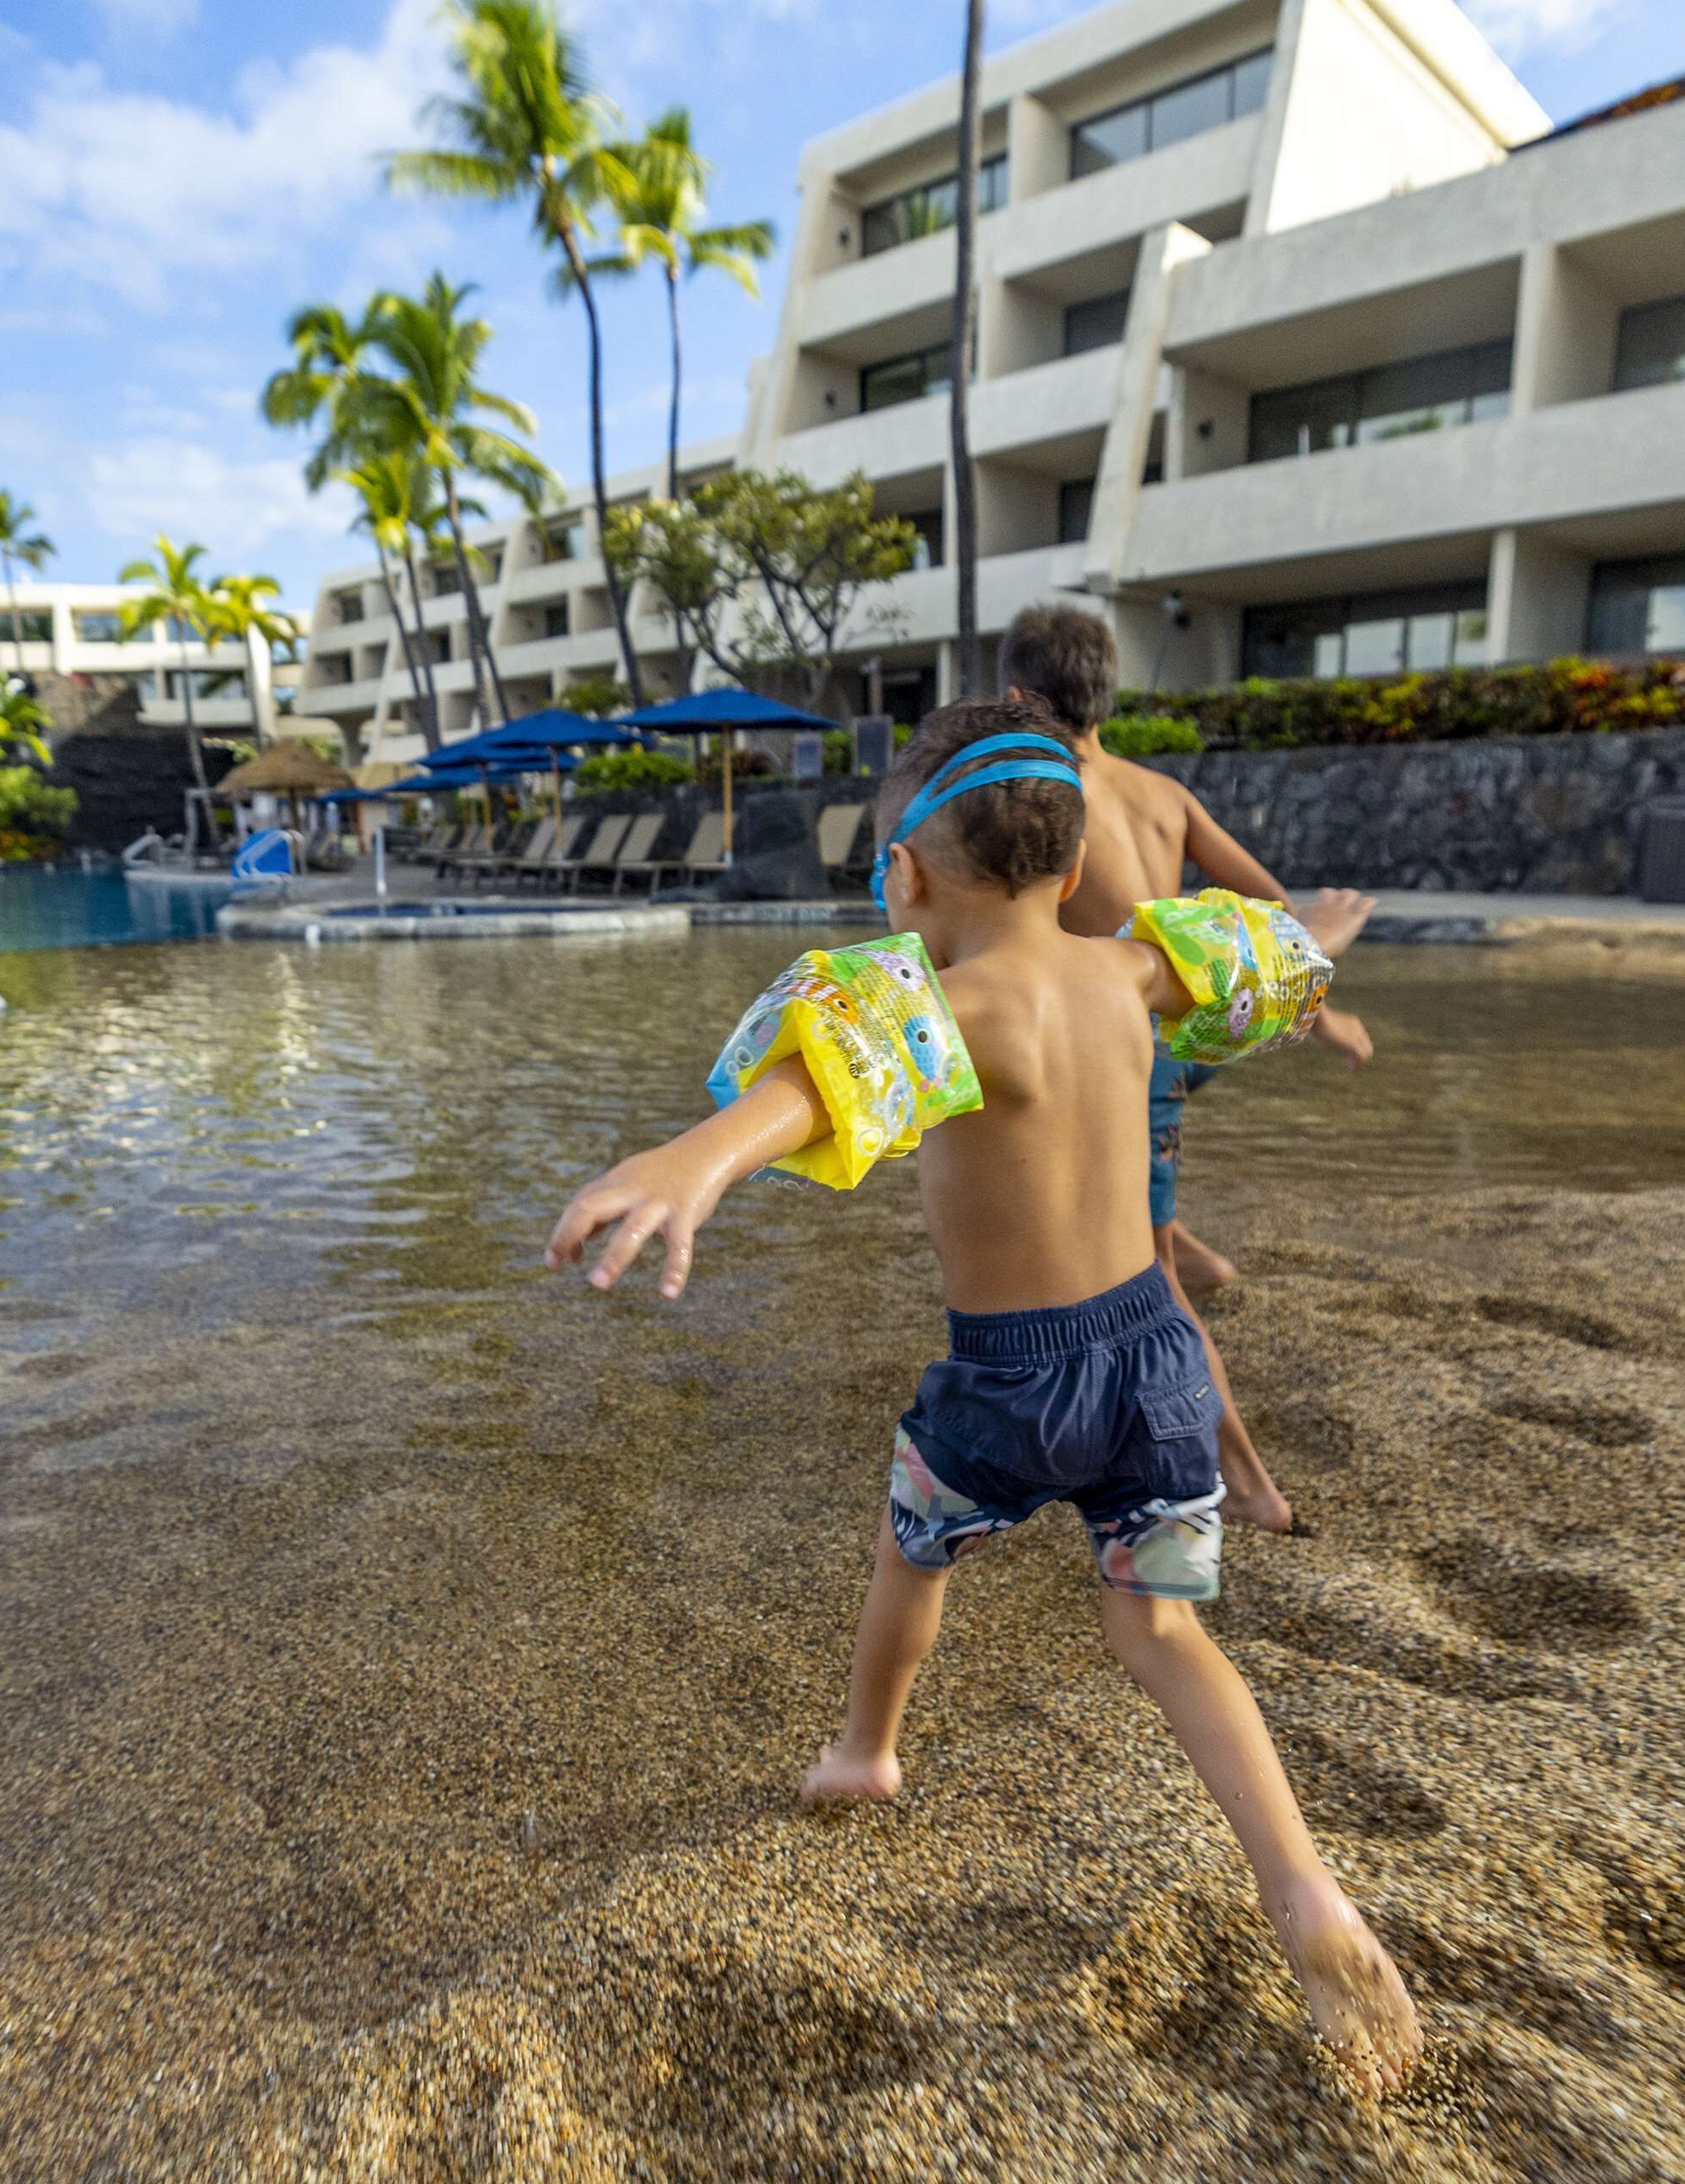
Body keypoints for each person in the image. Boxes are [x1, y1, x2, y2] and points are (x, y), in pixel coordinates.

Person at [546, 700, 1420, 2095]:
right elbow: (1258, 960)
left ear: (902, 881)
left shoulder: (942, 1009)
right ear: (1074, 873)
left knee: (916, 1548)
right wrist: (1320, 940)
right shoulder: (1137, 974)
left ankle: (866, 1752)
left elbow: (814, 1087)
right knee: (1169, 1635)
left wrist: (690, 1164)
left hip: (1005, 1394)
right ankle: (1309, 1894)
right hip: (1157, 1374)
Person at [998, 603, 1371, 1535]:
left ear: (1014, 697)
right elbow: (1271, 904)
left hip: (1132, 1061)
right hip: (1197, 1036)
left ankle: (1246, 1481)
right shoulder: (1162, 792)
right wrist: (1314, 1003)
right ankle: (1200, 1254)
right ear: (1105, 694)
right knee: (1145, 1201)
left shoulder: (1041, 805)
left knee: (1142, 1278)